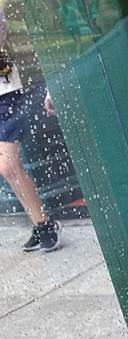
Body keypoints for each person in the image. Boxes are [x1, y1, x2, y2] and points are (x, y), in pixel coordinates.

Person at [0, 8, 59, 252]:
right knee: (6, 168)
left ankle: (45, 225)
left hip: (8, 94)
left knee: (8, 165)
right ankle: (40, 223)